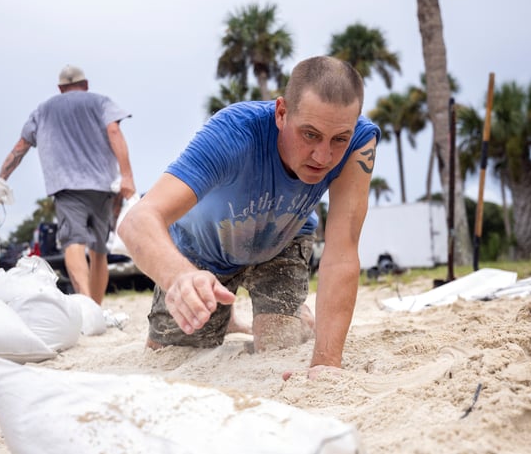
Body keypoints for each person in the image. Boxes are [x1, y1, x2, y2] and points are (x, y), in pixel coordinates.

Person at [118, 56, 379, 379]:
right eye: (309, 135)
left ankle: (293, 316)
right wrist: (179, 277)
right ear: (281, 113)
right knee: (173, 351)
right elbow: (136, 221)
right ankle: (228, 320)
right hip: (202, 254)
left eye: (339, 138)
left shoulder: (360, 141)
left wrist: (326, 363)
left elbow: (342, 251)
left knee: (278, 341)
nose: (323, 156)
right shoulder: (234, 133)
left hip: (282, 242)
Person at [0, 65, 136, 305]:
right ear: (85, 85)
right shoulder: (100, 102)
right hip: (102, 186)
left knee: (73, 243)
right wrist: (127, 175)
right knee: (99, 251)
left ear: (60, 88)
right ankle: (95, 307)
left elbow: (20, 148)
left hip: (67, 188)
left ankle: (86, 305)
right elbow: (114, 130)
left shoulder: (44, 110)